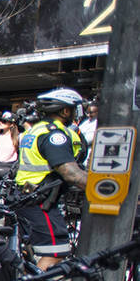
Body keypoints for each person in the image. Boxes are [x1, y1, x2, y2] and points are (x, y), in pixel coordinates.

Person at [15, 87, 88, 271]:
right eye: (74, 108)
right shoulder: (55, 134)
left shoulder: (36, 130)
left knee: (29, 254)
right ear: (65, 111)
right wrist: (107, 186)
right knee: (56, 252)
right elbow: (72, 174)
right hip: (40, 199)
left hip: (26, 195)